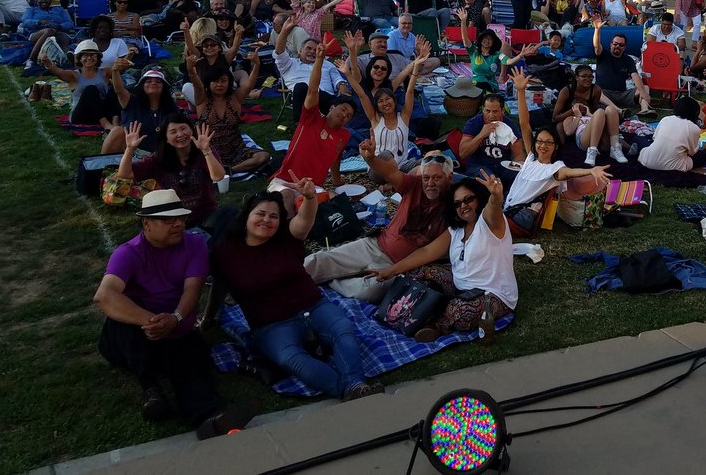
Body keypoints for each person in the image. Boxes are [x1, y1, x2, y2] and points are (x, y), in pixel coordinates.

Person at [93, 189, 258, 439]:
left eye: (179, 218)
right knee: (124, 326)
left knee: (190, 360)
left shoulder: (194, 244)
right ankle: (151, 389)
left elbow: (193, 287)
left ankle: (211, 417)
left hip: (176, 330)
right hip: (136, 334)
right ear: (146, 224)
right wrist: (150, 322)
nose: (178, 224)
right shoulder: (128, 252)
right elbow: (105, 296)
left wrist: (176, 318)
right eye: (168, 220)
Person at [204, 186, 381, 401]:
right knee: (291, 358)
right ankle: (348, 389)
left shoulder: (286, 237)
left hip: (313, 306)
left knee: (343, 331)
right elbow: (220, 285)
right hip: (271, 324)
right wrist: (208, 317)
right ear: (246, 216)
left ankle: (356, 385)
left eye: (274, 216)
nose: (266, 220)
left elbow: (305, 221)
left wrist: (308, 197)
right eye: (260, 214)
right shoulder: (225, 253)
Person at [370, 171, 517, 343]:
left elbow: (494, 208)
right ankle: (418, 310)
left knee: (461, 310)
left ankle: (436, 324)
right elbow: (426, 252)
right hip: (459, 285)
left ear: (480, 198)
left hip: (493, 293)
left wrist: (496, 196)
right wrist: (391, 270)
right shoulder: (456, 230)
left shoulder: (491, 223)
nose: (463, 206)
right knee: (422, 272)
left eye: (468, 199)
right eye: (457, 203)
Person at [304, 145, 453, 301]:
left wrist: (393, 270)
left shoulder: (455, 204)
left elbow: (429, 251)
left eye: (437, 178)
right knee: (316, 262)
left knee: (368, 292)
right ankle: (299, 281)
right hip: (376, 245)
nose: (430, 183)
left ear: (449, 178)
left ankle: (331, 279)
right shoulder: (414, 184)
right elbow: (390, 173)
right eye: (426, 177)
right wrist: (370, 158)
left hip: (401, 265)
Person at [503, 69, 611, 229]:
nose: (543, 146)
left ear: (555, 146)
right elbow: (524, 124)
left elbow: (568, 172)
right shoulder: (531, 157)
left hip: (522, 215)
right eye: (539, 141)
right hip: (509, 206)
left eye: (548, 142)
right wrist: (520, 91)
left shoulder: (555, 167)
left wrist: (591, 171)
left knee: (482, 215)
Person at [268, 45, 356, 206]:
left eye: (348, 116)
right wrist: (320, 60)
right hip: (286, 182)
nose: (344, 115)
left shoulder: (344, 135)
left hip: (313, 187)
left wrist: (337, 182)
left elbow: (336, 159)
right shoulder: (311, 118)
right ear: (331, 107)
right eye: (343, 110)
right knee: (287, 199)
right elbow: (312, 90)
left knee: (339, 205)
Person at [188, 47, 272, 175]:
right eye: (215, 81)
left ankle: (230, 170)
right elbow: (197, 85)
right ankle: (220, 168)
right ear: (209, 84)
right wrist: (191, 71)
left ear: (229, 82)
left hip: (236, 150)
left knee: (263, 156)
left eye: (223, 81)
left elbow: (249, 85)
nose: (220, 84)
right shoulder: (202, 100)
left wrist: (256, 64)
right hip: (209, 151)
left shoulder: (235, 98)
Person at [553, 64, 628, 164]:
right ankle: (592, 150)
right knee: (600, 112)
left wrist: (588, 113)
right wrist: (574, 112)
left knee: (609, 110)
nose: (588, 79)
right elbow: (555, 118)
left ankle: (616, 147)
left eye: (590, 77)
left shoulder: (595, 89)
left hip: (593, 124)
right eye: (584, 76)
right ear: (576, 77)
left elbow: (596, 113)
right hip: (575, 125)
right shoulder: (567, 91)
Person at [41, 38, 120, 129]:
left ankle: (115, 122)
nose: (89, 58)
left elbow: (119, 69)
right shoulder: (74, 75)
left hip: (102, 112)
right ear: (80, 58)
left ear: (97, 57)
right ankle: (106, 125)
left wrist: (129, 55)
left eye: (92, 55)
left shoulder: (105, 72)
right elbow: (59, 72)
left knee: (116, 87)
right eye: (85, 55)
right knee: (91, 89)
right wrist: (48, 63)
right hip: (82, 115)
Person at [103, 66, 179, 155]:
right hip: (131, 151)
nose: (153, 83)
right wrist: (115, 71)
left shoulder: (171, 107)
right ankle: (104, 165)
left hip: (163, 152)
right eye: (148, 81)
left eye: (158, 82)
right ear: (142, 86)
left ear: (164, 88)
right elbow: (119, 90)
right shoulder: (131, 101)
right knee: (117, 131)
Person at [591, 15, 653, 114]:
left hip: (622, 94)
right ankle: (618, 110)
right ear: (611, 44)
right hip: (604, 93)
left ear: (624, 47)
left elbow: (635, 76)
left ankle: (644, 109)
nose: (617, 47)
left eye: (621, 45)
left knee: (645, 88)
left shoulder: (628, 59)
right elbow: (596, 46)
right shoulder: (603, 54)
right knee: (594, 90)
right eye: (615, 44)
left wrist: (643, 93)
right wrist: (597, 30)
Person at [459, 92, 525, 177]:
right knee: (490, 178)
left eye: (495, 111)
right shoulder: (474, 123)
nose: (491, 115)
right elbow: (462, 153)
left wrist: (518, 166)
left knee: (520, 177)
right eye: (487, 111)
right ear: (483, 109)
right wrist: (481, 135)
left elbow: (518, 154)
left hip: (503, 166)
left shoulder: (510, 125)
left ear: (503, 111)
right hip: (479, 166)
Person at [639, 94, 706, 173]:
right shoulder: (694, 128)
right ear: (695, 113)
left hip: (648, 161)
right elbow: (692, 153)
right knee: (702, 155)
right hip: (673, 166)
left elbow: (654, 138)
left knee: (644, 142)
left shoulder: (665, 119)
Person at [20, 0, 74, 64]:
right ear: (37, 0)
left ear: (51, 0)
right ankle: (31, 59)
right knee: (49, 31)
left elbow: (69, 23)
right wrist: (39, 22)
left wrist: (60, 26)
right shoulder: (31, 9)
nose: (44, 1)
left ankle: (66, 58)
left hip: (57, 31)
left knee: (63, 38)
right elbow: (25, 22)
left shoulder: (60, 10)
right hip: (37, 33)